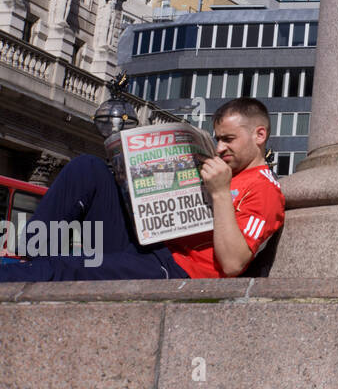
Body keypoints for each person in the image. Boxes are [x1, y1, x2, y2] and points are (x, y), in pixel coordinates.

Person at [0, 98, 284, 282]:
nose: (220, 148)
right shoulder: (221, 167)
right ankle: (27, 256)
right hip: (149, 243)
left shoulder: (265, 189)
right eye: (218, 139)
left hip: (175, 270)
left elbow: (234, 263)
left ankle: (16, 273)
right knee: (88, 169)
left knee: (68, 268)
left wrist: (221, 193)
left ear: (260, 135)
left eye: (229, 139)